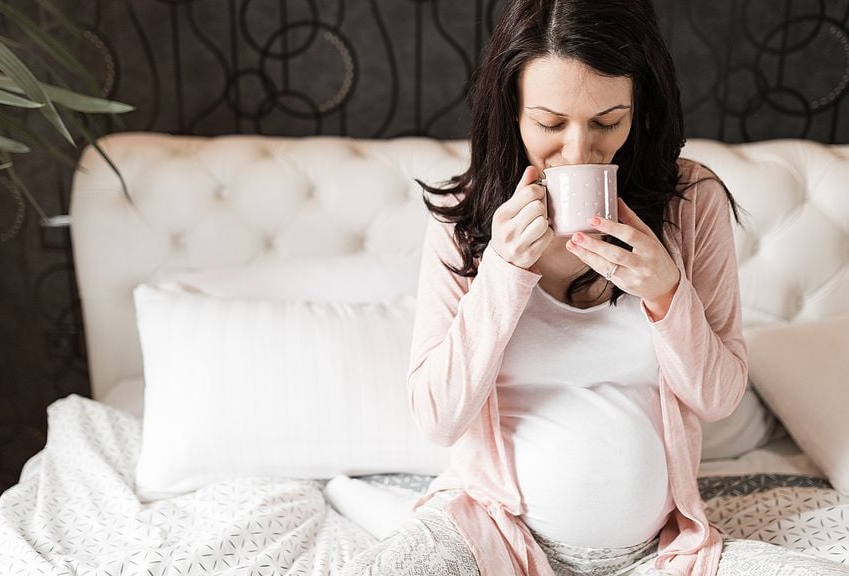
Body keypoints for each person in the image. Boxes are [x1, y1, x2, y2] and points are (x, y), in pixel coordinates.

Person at [342, 0, 849, 575]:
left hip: (660, 551)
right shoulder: (467, 224)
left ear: (641, 108)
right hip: (494, 533)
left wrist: (665, 293)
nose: (579, 152)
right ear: (510, 111)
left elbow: (717, 398)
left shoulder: (690, 202)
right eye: (551, 124)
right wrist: (504, 273)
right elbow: (438, 417)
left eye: (607, 122)